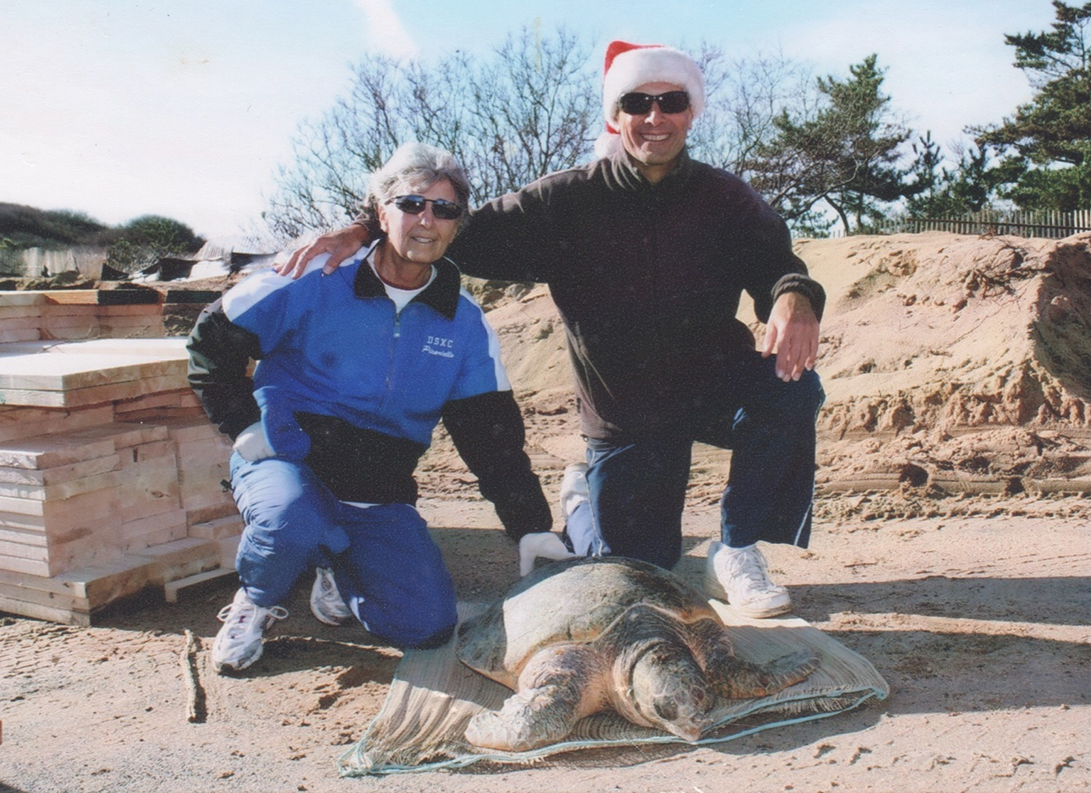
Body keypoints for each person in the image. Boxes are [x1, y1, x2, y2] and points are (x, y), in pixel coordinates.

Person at [281, 42, 826, 620]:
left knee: (791, 387)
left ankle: (736, 550)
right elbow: (448, 230)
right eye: (637, 102)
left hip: (713, 386)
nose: (654, 116)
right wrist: (366, 229)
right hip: (627, 414)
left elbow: (776, 262)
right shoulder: (564, 200)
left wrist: (794, 295)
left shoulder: (725, 198)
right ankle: (585, 500)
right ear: (615, 117)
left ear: (692, 112)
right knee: (637, 580)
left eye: (671, 101)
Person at [187, 142, 551, 672]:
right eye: (410, 205)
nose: (427, 221)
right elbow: (209, 342)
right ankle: (258, 599)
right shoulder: (316, 274)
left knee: (424, 625)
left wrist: (532, 525)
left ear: (457, 225)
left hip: (375, 490)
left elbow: (491, 439)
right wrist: (243, 427)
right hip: (285, 461)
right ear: (381, 212)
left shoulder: (466, 324)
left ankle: (337, 563)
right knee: (292, 519)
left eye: (444, 210)